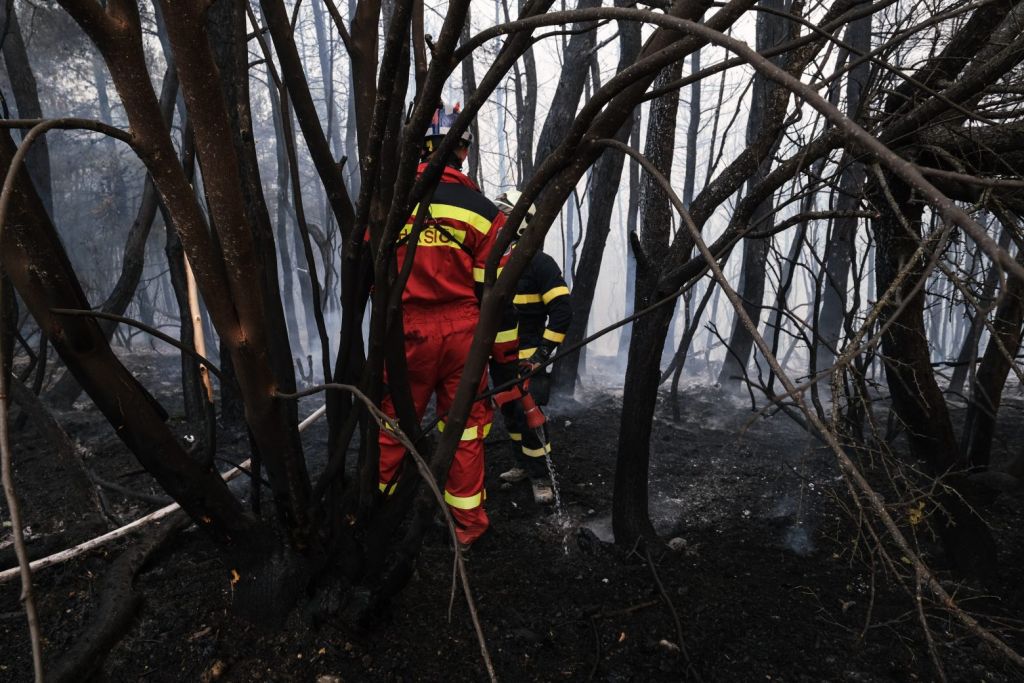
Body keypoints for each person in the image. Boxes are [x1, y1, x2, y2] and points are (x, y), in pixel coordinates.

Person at [377, 102, 518, 550]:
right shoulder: (483, 210)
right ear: (461, 151)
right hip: (464, 337)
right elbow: (495, 294)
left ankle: (380, 514)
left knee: (392, 424)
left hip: (407, 335)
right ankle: (468, 525)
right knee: (466, 429)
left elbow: (370, 274)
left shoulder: (392, 203)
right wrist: (505, 359)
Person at [491, 189, 572, 505]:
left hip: (527, 362)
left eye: (503, 215)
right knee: (511, 417)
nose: (497, 222)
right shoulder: (492, 263)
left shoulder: (540, 264)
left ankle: (541, 478)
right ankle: (522, 465)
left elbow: (562, 311)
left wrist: (541, 355)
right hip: (499, 360)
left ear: (521, 221)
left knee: (530, 419)